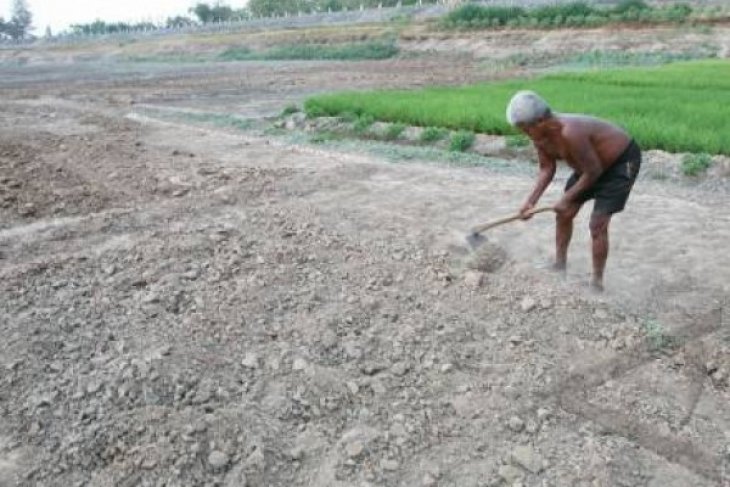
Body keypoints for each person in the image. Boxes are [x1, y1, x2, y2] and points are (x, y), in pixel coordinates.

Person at [506, 90, 641, 291]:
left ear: (541, 121)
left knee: (597, 224)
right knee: (563, 214)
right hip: (587, 166)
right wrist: (531, 201)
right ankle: (559, 264)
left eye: (526, 129)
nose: (525, 134)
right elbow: (546, 168)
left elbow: (594, 171)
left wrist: (567, 197)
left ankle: (596, 283)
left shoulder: (571, 132)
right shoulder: (540, 137)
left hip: (619, 164)